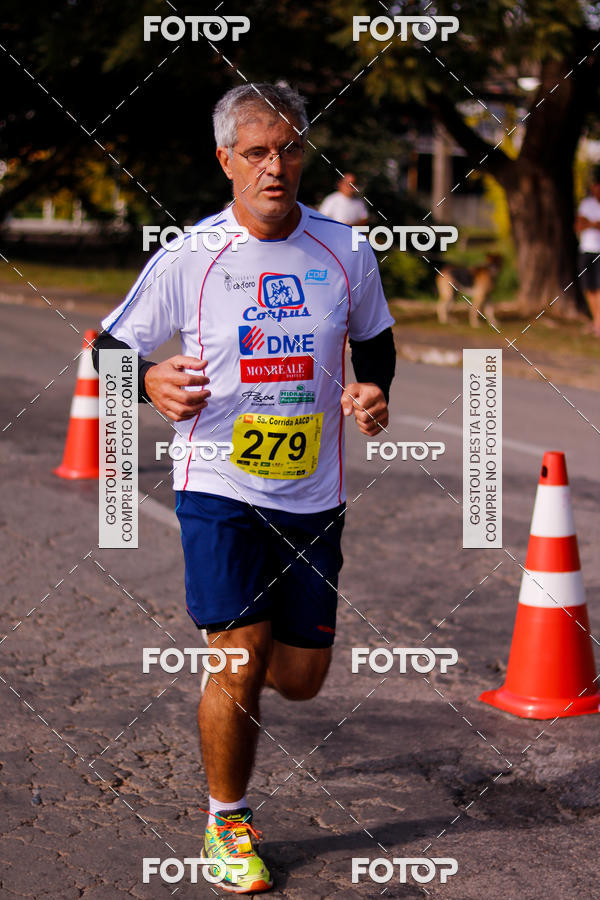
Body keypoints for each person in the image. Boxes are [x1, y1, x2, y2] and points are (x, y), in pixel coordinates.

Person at [93, 83, 395, 894]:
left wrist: (373, 391)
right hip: (216, 485)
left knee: (297, 678)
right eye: (257, 151)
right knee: (239, 657)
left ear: (305, 155)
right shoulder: (191, 257)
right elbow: (109, 349)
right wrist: (148, 379)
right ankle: (228, 819)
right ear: (226, 159)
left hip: (313, 494)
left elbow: (378, 341)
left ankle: (247, 676)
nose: (275, 166)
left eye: (290, 148)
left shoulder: (347, 251)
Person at [575, 169, 600, 336]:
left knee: (599, 288)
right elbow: (578, 226)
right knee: (588, 288)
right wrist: (594, 224)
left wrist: (589, 223)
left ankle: (598, 323)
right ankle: (597, 321)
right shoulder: (586, 204)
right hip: (586, 251)